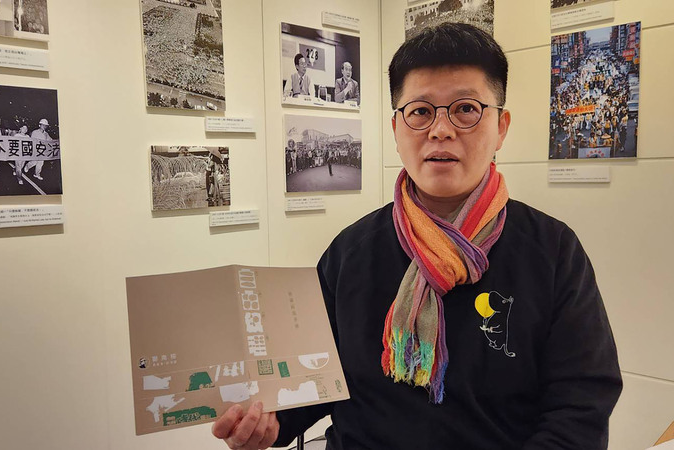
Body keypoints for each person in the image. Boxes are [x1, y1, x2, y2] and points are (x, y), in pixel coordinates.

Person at [212, 23, 621, 450]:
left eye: (466, 109)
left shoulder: (552, 250)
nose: (441, 130)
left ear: (501, 126)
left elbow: (581, 406)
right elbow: (313, 379)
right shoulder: (351, 251)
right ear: (396, 129)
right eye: (421, 111)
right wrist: (270, 421)